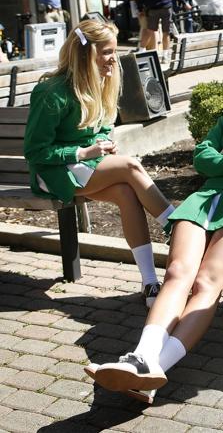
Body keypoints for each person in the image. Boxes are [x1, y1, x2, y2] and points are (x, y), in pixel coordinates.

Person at [85, 60, 223, 402]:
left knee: (205, 284)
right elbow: (201, 157)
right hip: (206, 198)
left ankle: (156, 368)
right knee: (177, 273)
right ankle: (142, 357)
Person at [23, 20, 175, 307]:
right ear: (85, 54)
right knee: (130, 167)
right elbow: (35, 152)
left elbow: (102, 126)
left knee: (126, 193)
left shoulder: (103, 82)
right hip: (54, 172)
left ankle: (149, 282)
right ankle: (177, 226)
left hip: (85, 167)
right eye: (107, 52)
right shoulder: (51, 92)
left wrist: (104, 143)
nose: (113, 58)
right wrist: (83, 153)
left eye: (114, 51)